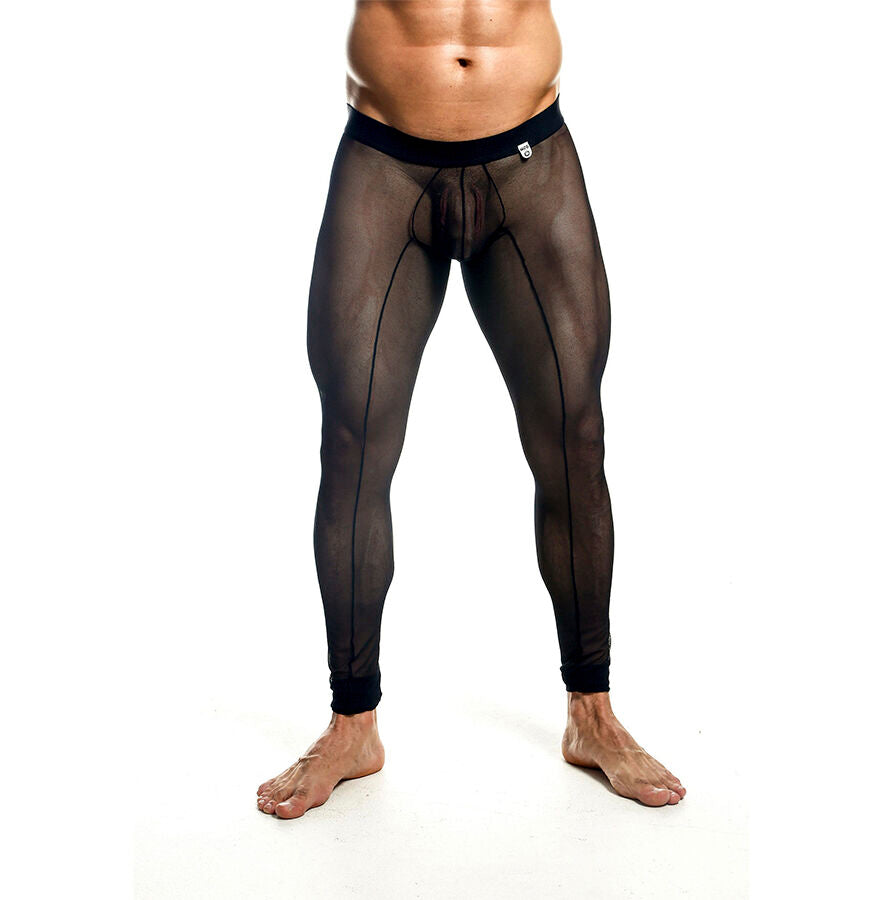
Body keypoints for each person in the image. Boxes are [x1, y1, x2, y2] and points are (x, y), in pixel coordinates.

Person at [257, 0, 686, 818]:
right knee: (351, 444)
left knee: (575, 437)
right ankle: (352, 725)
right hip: (386, 165)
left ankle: (592, 714)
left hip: (531, 163)